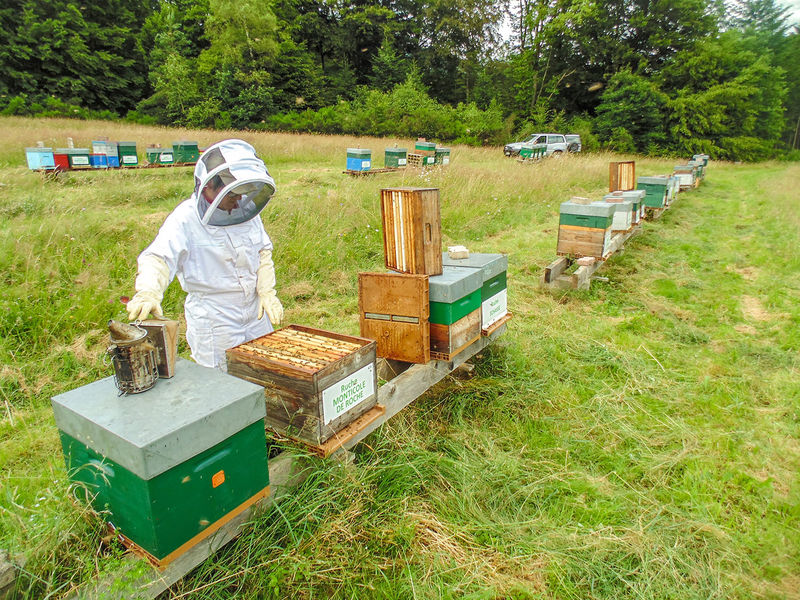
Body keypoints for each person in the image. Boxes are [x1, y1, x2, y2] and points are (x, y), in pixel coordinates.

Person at [126, 139, 284, 370]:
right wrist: (148, 291)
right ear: (210, 187)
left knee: (265, 370)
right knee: (221, 380)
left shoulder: (246, 213)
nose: (238, 201)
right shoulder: (185, 218)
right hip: (215, 319)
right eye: (232, 195)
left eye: (241, 194)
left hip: (255, 312)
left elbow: (263, 252)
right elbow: (158, 258)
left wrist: (267, 291)